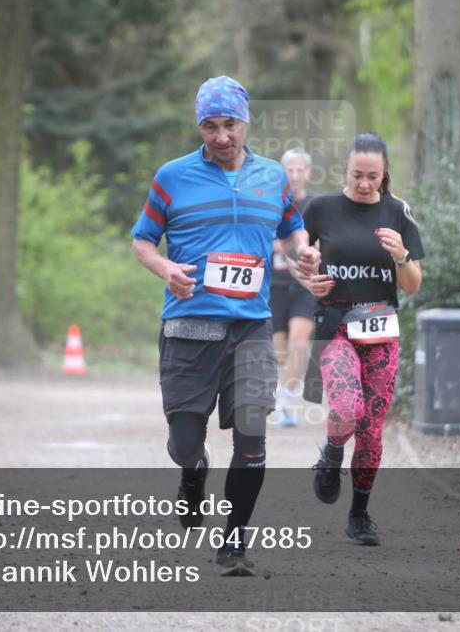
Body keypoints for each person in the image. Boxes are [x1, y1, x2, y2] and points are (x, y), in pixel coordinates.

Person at [131, 76, 320, 576]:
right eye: (210, 126)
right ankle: (194, 473)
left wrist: (303, 253)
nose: (220, 136)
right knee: (184, 444)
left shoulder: (272, 177)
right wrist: (165, 270)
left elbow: (291, 227)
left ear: (245, 122)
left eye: (229, 124)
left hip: (250, 329)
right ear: (199, 126)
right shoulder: (172, 177)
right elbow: (142, 241)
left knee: (254, 436)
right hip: (190, 329)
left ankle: (234, 543)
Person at [302, 132, 423, 546]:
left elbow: (412, 285)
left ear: (385, 172)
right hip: (336, 327)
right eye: (357, 175)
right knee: (347, 407)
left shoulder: (398, 212)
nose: (365, 183)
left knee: (372, 430)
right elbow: (299, 259)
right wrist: (309, 278)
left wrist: (400, 256)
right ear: (345, 170)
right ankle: (332, 453)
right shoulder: (320, 208)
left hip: (382, 332)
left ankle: (359, 515)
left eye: (373, 176)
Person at [269, 148, 318, 428]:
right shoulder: (270, 203)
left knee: (299, 345)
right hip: (274, 285)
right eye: (291, 170)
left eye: (301, 170)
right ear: (282, 174)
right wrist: (287, 245)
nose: (296, 175)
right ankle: (277, 393)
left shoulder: (315, 207)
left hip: (303, 285)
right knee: (280, 353)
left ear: (308, 173)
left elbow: (322, 241)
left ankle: (285, 404)